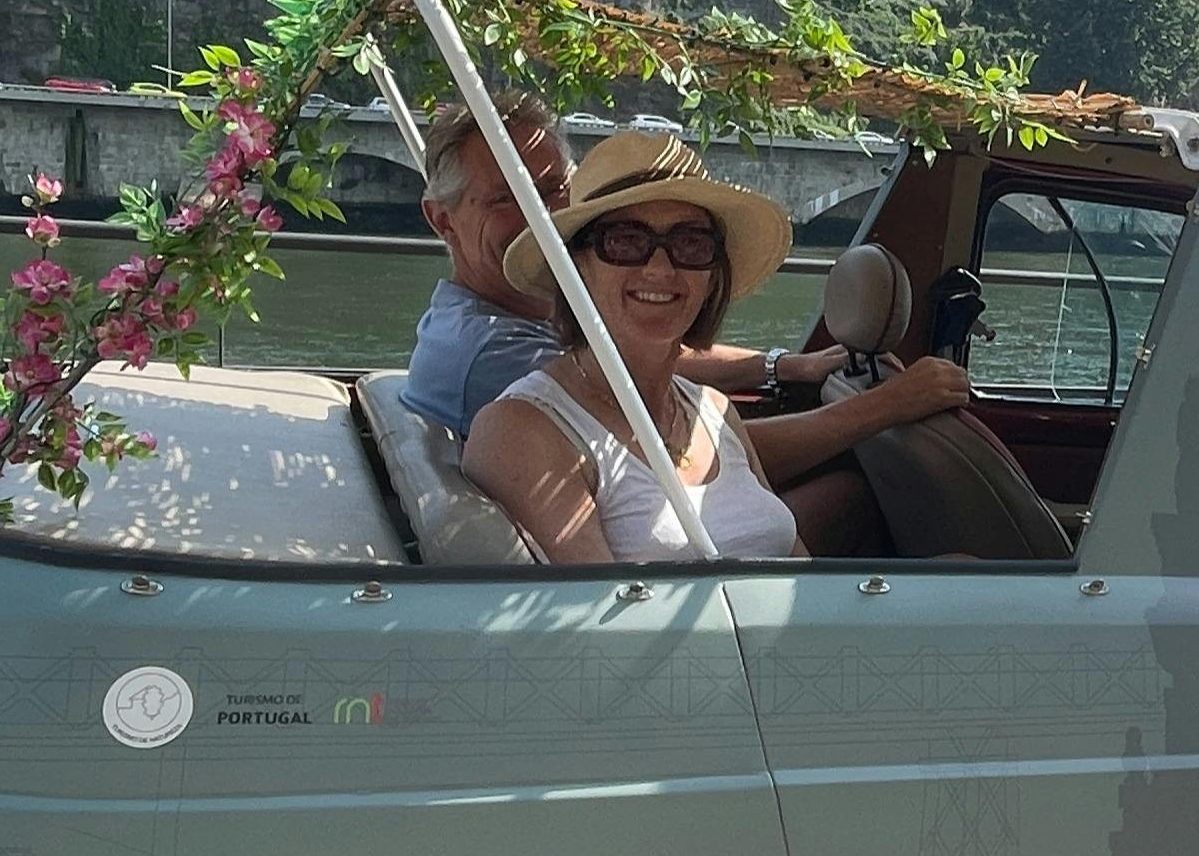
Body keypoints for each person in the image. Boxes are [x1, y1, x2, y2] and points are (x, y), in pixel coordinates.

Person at [464, 131, 972, 564]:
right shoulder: (521, 427)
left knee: (968, 572)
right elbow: (609, 639)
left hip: (793, 654)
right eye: (625, 240)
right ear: (576, 267)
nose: (661, 269)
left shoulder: (713, 411)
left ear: (712, 277)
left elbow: (802, 576)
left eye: (690, 244)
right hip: (707, 677)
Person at [401, 96, 843, 434]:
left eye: (556, 188)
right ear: (443, 221)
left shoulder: (516, 324)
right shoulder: (496, 357)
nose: (544, 214)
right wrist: (879, 410)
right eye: (507, 197)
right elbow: (675, 462)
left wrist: (780, 366)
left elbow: (637, 358)